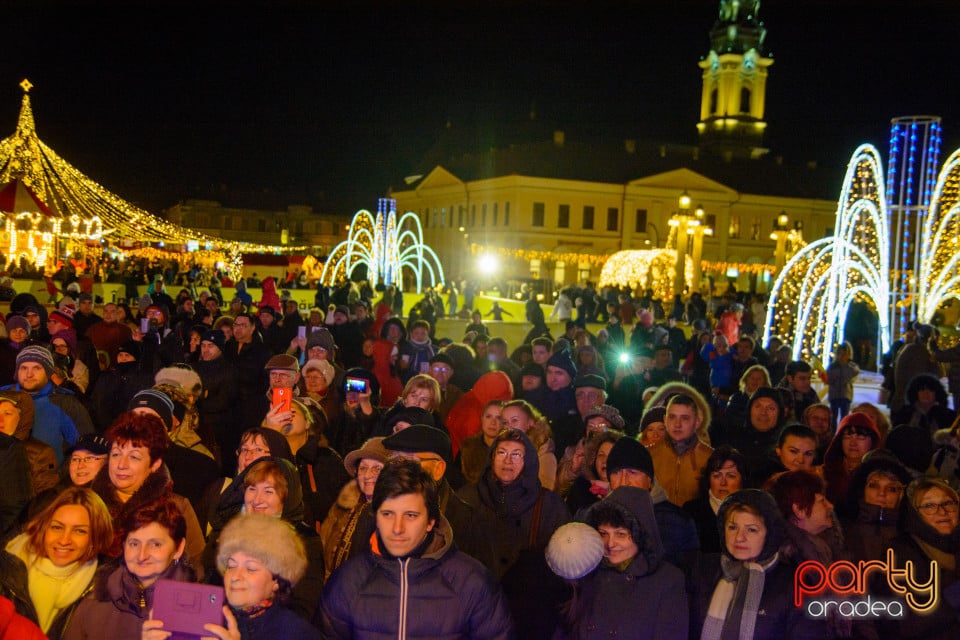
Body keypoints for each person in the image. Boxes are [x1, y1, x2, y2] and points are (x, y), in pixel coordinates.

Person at [320, 459, 513, 639]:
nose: (397, 528)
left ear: (430, 522)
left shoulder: (472, 583)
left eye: (410, 515)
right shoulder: (348, 582)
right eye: (387, 514)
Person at [551, 486, 688, 639]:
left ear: (640, 535)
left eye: (621, 534)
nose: (610, 544)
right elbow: (566, 631)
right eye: (603, 533)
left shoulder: (667, 581)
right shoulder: (589, 570)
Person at [201, 458, 324, 623]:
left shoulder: (305, 541)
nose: (257, 500)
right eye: (252, 489)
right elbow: (212, 589)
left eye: (268, 491)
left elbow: (302, 607)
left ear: (285, 498)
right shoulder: (231, 532)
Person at [693, 489, 824, 639]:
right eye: (732, 527)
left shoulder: (794, 584)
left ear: (769, 534)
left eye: (751, 530)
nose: (739, 537)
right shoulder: (704, 571)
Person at [65, 498, 195, 640]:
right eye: (134, 544)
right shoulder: (95, 602)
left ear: (178, 548)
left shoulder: (198, 611)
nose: (142, 555)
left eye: (155, 544)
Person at [90, 412, 205, 567]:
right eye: (116, 454)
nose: (121, 465)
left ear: (155, 464)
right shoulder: (87, 504)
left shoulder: (176, 507)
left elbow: (196, 566)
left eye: (134, 457)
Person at [4, 487, 113, 638]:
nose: (64, 540)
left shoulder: (107, 586)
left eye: (79, 531)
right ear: (44, 528)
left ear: (95, 537)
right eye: (57, 527)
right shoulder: (7, 571)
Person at [878, 478, 960, 640]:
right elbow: (903, 622)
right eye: (929, 506)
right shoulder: (899, 553)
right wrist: (953, 596)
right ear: (915, 515)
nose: (942, 512)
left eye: (948, 503)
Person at [319, 437, 390, 581]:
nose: (368, 475)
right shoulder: (342, 507)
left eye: (377, 468)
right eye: (363, 468)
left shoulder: (393, 516)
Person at [840, 453, 910, 563]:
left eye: (892, 489)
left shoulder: (911, 535)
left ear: (901, 495)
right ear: (862, 490)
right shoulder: (841, 531)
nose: (882, 493)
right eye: (874, 486)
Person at [647, 393, 713, 506]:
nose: (677, 424)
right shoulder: (649, 454)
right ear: (665, 420)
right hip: (656, 521)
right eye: (672, 417)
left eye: (685, 418)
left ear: (697, 422)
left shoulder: (710, 457)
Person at [682, 446, 746, 554]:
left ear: (743, 479)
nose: (723, 483)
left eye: (730, 476)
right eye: (717, 476)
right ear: (708, 479)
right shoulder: (691, 511)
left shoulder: (753, 511)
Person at [821, 411, 881, 507]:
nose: (853, 443)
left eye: (860, 436)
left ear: (872, 441)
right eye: (847, 436)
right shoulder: (822, 474)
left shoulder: (880, 476)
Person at [500, 399, 558, 490]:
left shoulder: (544, 455)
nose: (509, 427)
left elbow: (544, 493)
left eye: (514, 420)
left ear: (530, 422)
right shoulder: (499, 452)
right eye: (505, 423)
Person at [457, 399, 503, 486]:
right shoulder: (467, 447)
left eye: (498, 418)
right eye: (488, 416)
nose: (493, 422)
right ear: (482, 419)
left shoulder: (511, 449)